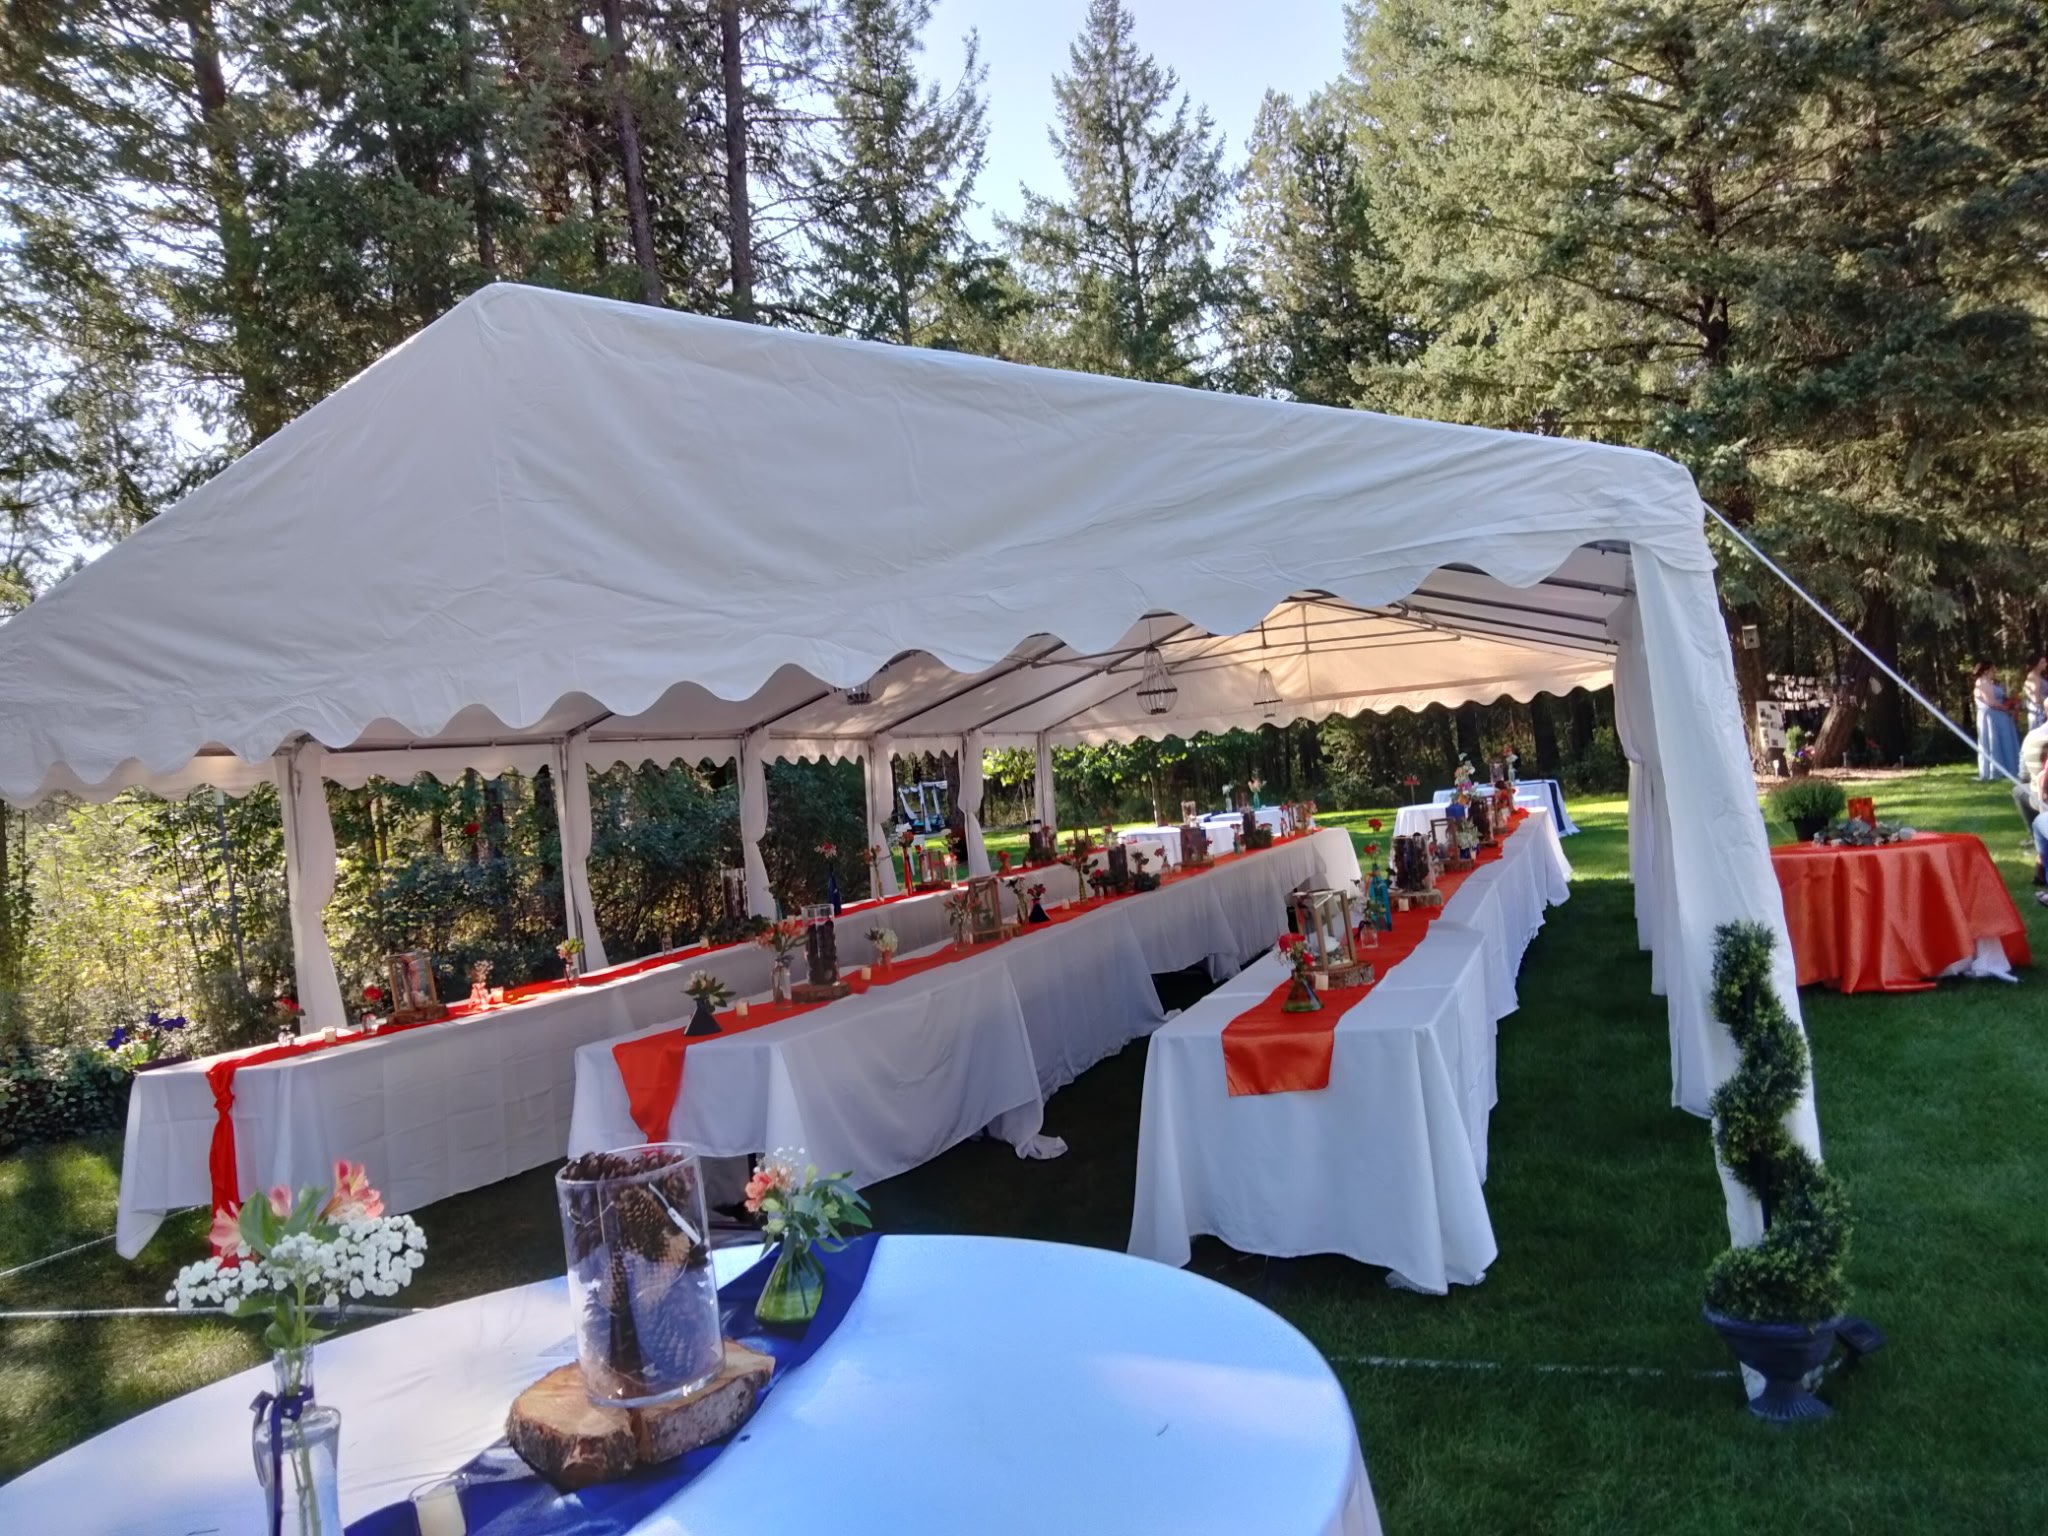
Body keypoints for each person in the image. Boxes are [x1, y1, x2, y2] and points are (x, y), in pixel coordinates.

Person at [1974, 661, 2020, 781]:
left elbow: (1999, 698)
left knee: (2005, 741)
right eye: (1993, 670)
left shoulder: (1990, 683)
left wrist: (2011, 703)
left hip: (2000, 716)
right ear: (1986, 671)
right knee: (1993, 741)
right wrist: (2007, 708)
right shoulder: (1982, 683)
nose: (1994, 672)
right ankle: (1994, 771)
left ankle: (2010, 768)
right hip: (1991, 717)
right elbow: (1991, 702)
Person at [2026, 653, 2048, 733]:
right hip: (2038, 712)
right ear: (2036, 664)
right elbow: (2036, 698)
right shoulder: (2033, 676)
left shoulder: (2039, 676)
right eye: (2042, 662)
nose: (2046, 664)